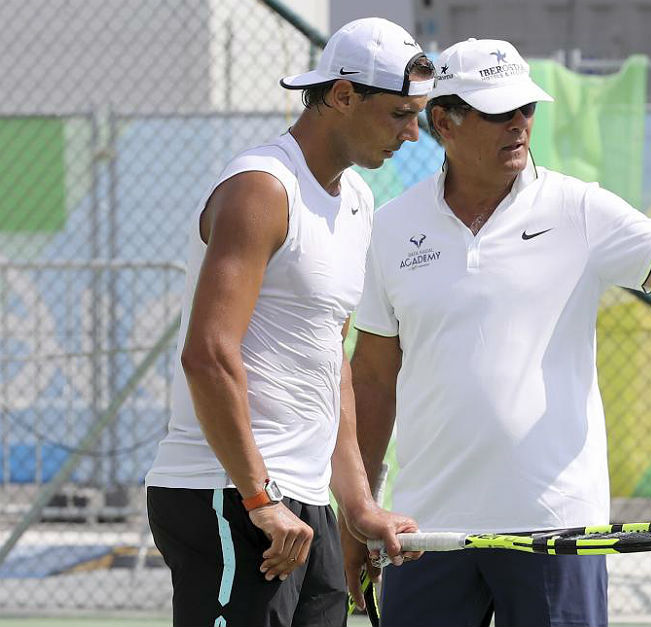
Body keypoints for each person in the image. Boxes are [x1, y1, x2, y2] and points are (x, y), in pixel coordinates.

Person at [343, 37, 651, 627]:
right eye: (499, 111)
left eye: (526, 109)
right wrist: (357, 512)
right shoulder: (389, 228)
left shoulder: (579, 209)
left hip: (558, 528)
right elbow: (371, 380)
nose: (519, 124)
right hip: (427, 531)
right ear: (443, 121)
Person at [144, 18, 433, 627]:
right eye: (401, 114)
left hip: (302, 506)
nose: (413, 134)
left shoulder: (357, 200)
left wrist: (355, 504)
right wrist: (258, 497)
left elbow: (331, 362)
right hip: (226, 497)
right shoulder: (261, 187)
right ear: (344, 95)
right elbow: (208, 354)